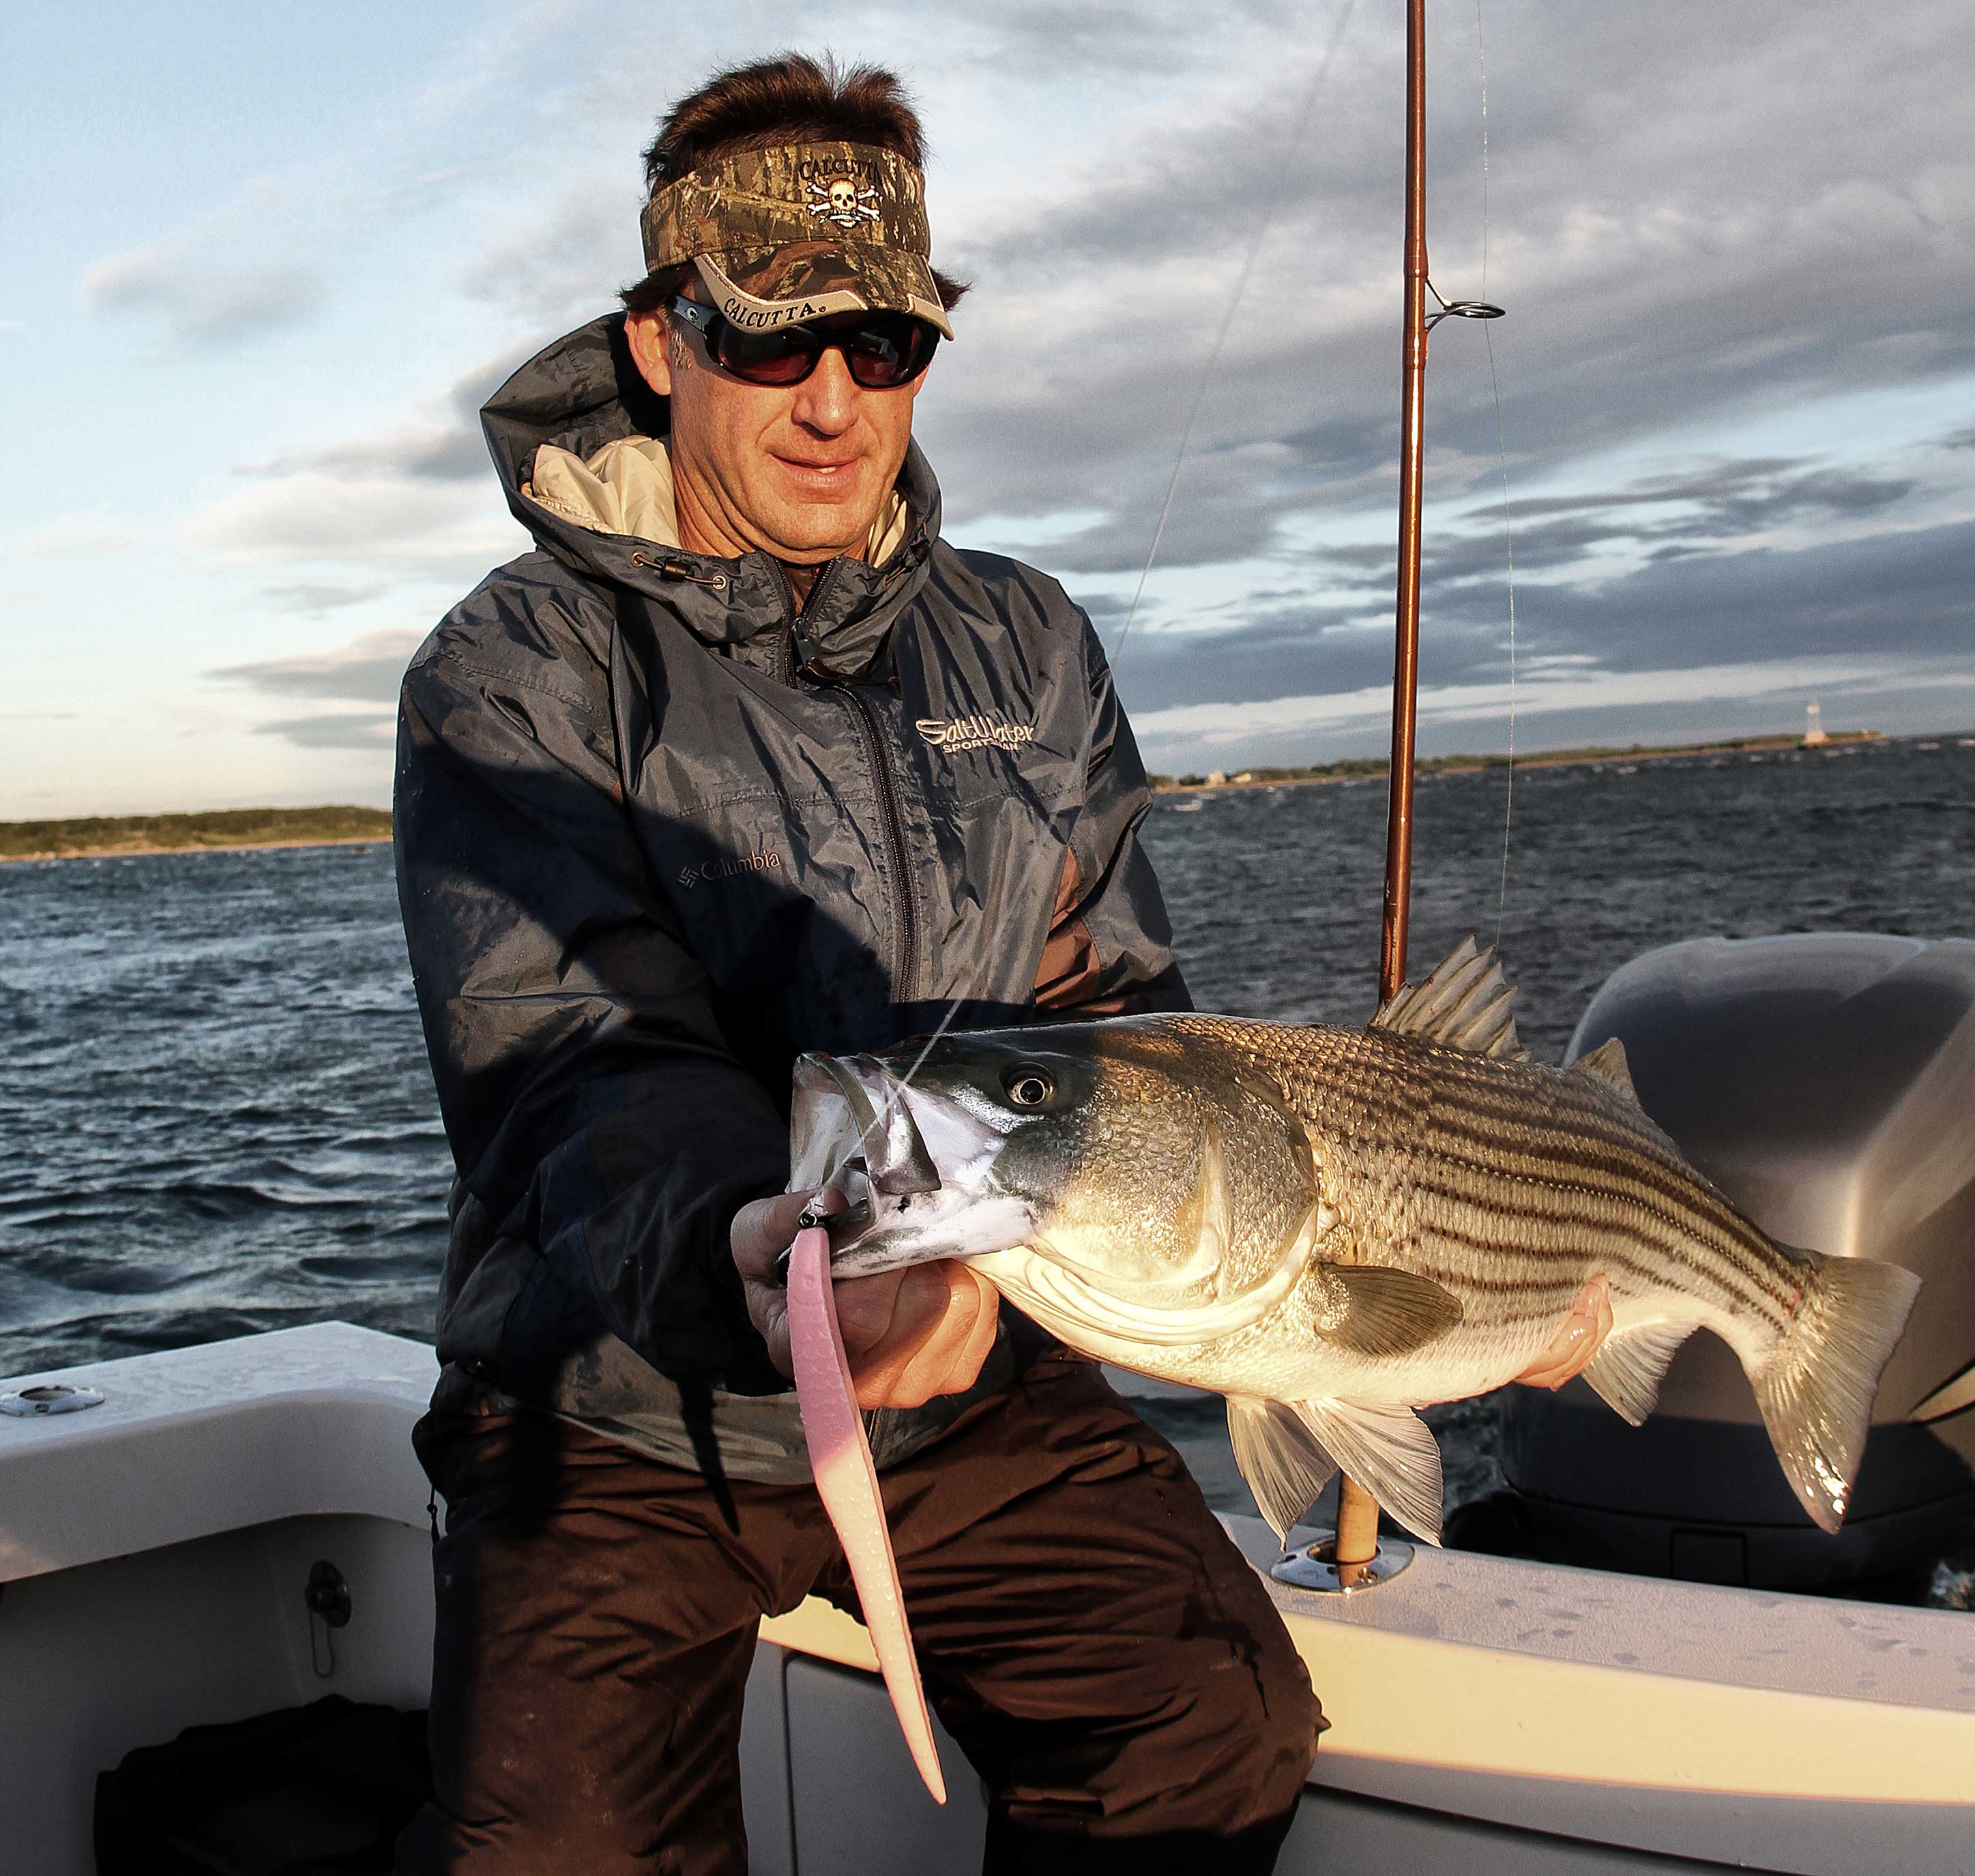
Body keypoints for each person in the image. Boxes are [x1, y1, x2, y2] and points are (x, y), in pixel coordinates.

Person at [390, 52, 1324, 1876]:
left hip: (965, 1358)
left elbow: (1112, 1017)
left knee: (1209, 1728)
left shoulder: (1026, 644)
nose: (832, 402)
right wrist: (753, 1247)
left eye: (883, 348)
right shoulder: (511, 673)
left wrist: (1381, 1292)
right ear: (664, 339)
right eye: (771, 344)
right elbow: (566, 1058)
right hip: (619, 1395)